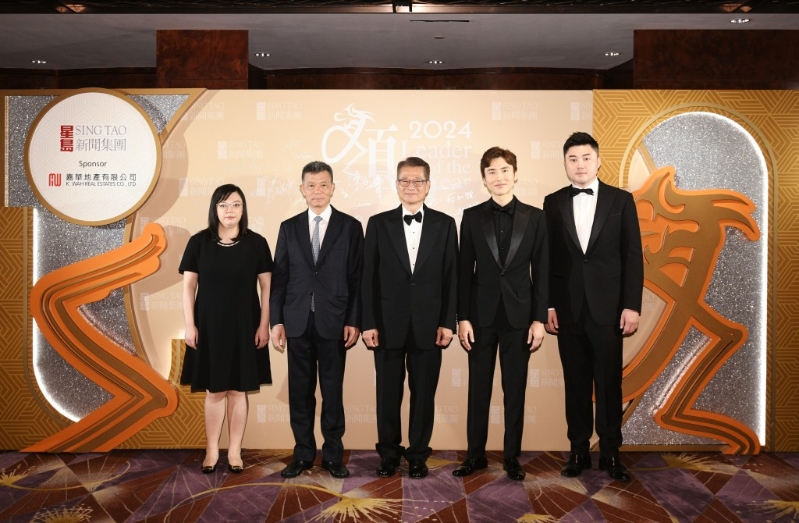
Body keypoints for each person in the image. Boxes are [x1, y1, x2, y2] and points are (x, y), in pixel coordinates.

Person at [543, 132, 643, 482]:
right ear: (565, 163)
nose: (580, 164)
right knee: (575, 382)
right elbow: (548, 259)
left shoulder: (621, 200)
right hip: (568, 309)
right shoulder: (553, 202)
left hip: (609, 308)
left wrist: (631, 305)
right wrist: (549, 305)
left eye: (586, 158)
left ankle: (611, 452)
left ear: (598, 161)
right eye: (573, 159)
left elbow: (633, 256)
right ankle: (578, 450)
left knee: (609, 382)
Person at [454, 146, 549, 481]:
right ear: (484, 178)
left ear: (515, 174)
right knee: (478, 389)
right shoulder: (471, 216)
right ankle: (475, 456)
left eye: (505, 170)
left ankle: (512, 457)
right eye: (492, 172)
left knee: (515, 391)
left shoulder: (536, 217)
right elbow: (464, 272)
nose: (499, 177)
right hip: (480, 318)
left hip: (520, 318)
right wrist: (462, 317)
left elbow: (542, 271)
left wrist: (538, 319)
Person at [361, 157, 458, 479]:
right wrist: (368, 322)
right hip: (386, 324)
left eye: (418, 181)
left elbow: (451, 276)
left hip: (430, 325)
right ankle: (388, 454)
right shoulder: (378, 223)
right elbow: (368, 278)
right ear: (396, 184)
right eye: (405, 180)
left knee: (424, 395)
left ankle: (417, 454)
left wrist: (448, 322)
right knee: (387, 395)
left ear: (428, 186)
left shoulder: (445, 224)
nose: (411, 186)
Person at [270, 161, 363, 479]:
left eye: (323, 184)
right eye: (311, 185)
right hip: (297, 321)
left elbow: (357, 278)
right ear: (302, 189)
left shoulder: (350, 227)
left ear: (333, 188)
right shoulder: (289, 227)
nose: (317, 191)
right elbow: (280, 279)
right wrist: (276, 321)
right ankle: (303, 454)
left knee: (332, 392)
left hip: (334, 321)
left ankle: (333, 456)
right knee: (300, 392)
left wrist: (353, 319)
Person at [180, 183, 273, 474]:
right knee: (215, 390)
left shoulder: (257, 243)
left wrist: (264, 325)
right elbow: (188, 287)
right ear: (214, 209)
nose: (229, 210)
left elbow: (267, 288)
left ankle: (234, 451)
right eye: (223, 205)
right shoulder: (198, 242)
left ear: (243, 209)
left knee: (238, 390)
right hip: (209, 326)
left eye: (235, 204)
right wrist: (190, 325)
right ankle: (211, 450)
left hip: (245, 325)